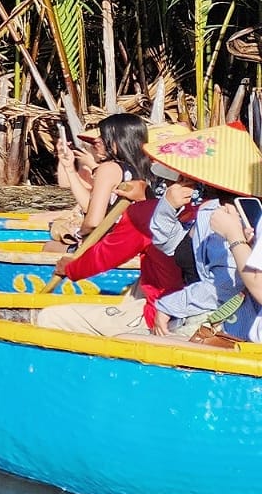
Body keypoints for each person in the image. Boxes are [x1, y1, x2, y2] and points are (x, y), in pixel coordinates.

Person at [36, 125, 260, 345]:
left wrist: (72, 268)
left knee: (49, 317)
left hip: (189, 314)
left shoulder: (222, 216)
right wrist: (166, 206)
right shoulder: (202, 212)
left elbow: (101, 240)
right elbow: (168, 242)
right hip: (179, 307)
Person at [50, 111, 150, 243]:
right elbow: (89, 207)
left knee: (51, 246)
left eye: (103, 136)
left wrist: (79, 233)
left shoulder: (108, 168)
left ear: (118, 141)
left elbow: (93, 223)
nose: (96, 140)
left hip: (112, 244)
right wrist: (69, 169)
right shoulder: (145, 169)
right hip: (136, 241)